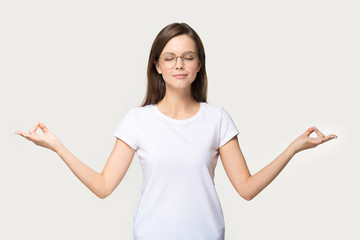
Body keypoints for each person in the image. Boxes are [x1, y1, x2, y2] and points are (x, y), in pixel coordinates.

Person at [15, 22, 337, 240]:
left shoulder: (217, 119)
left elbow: (247, 188)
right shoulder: (137, 120)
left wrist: (292, 149)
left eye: (187, 57)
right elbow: (103, 185)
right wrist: (57, 146)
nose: (179, 64)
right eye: (169, 58)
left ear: (198, 65)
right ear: (157, 65)